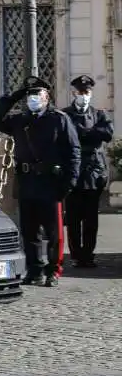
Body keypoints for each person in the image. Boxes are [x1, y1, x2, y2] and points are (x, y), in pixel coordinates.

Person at [0, 76, 81, 287]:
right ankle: (34, 269)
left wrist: (69, 182)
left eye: (36, 95)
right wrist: (15, 96)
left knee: (53, 232)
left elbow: (73, 151)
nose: (33, 99)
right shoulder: (21, 120)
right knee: (30, 231)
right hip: (27, 181)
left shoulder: (59, 119)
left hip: (51, 183)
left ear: (46, 97)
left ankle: (53, 271)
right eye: (30, 95)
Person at [62, 75, 114, 268]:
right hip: (73, 171)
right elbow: (62, 138)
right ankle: (76, 254)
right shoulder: (65, 114)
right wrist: (92, 133)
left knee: (91, 217)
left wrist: (81, 133)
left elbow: (107, 133)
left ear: (90, 93)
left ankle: (88, 254)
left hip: (93, 172)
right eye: (80, 92)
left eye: (86, 92)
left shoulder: (99, 114)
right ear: (74, 93)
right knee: (74, 217)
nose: (83, 96)